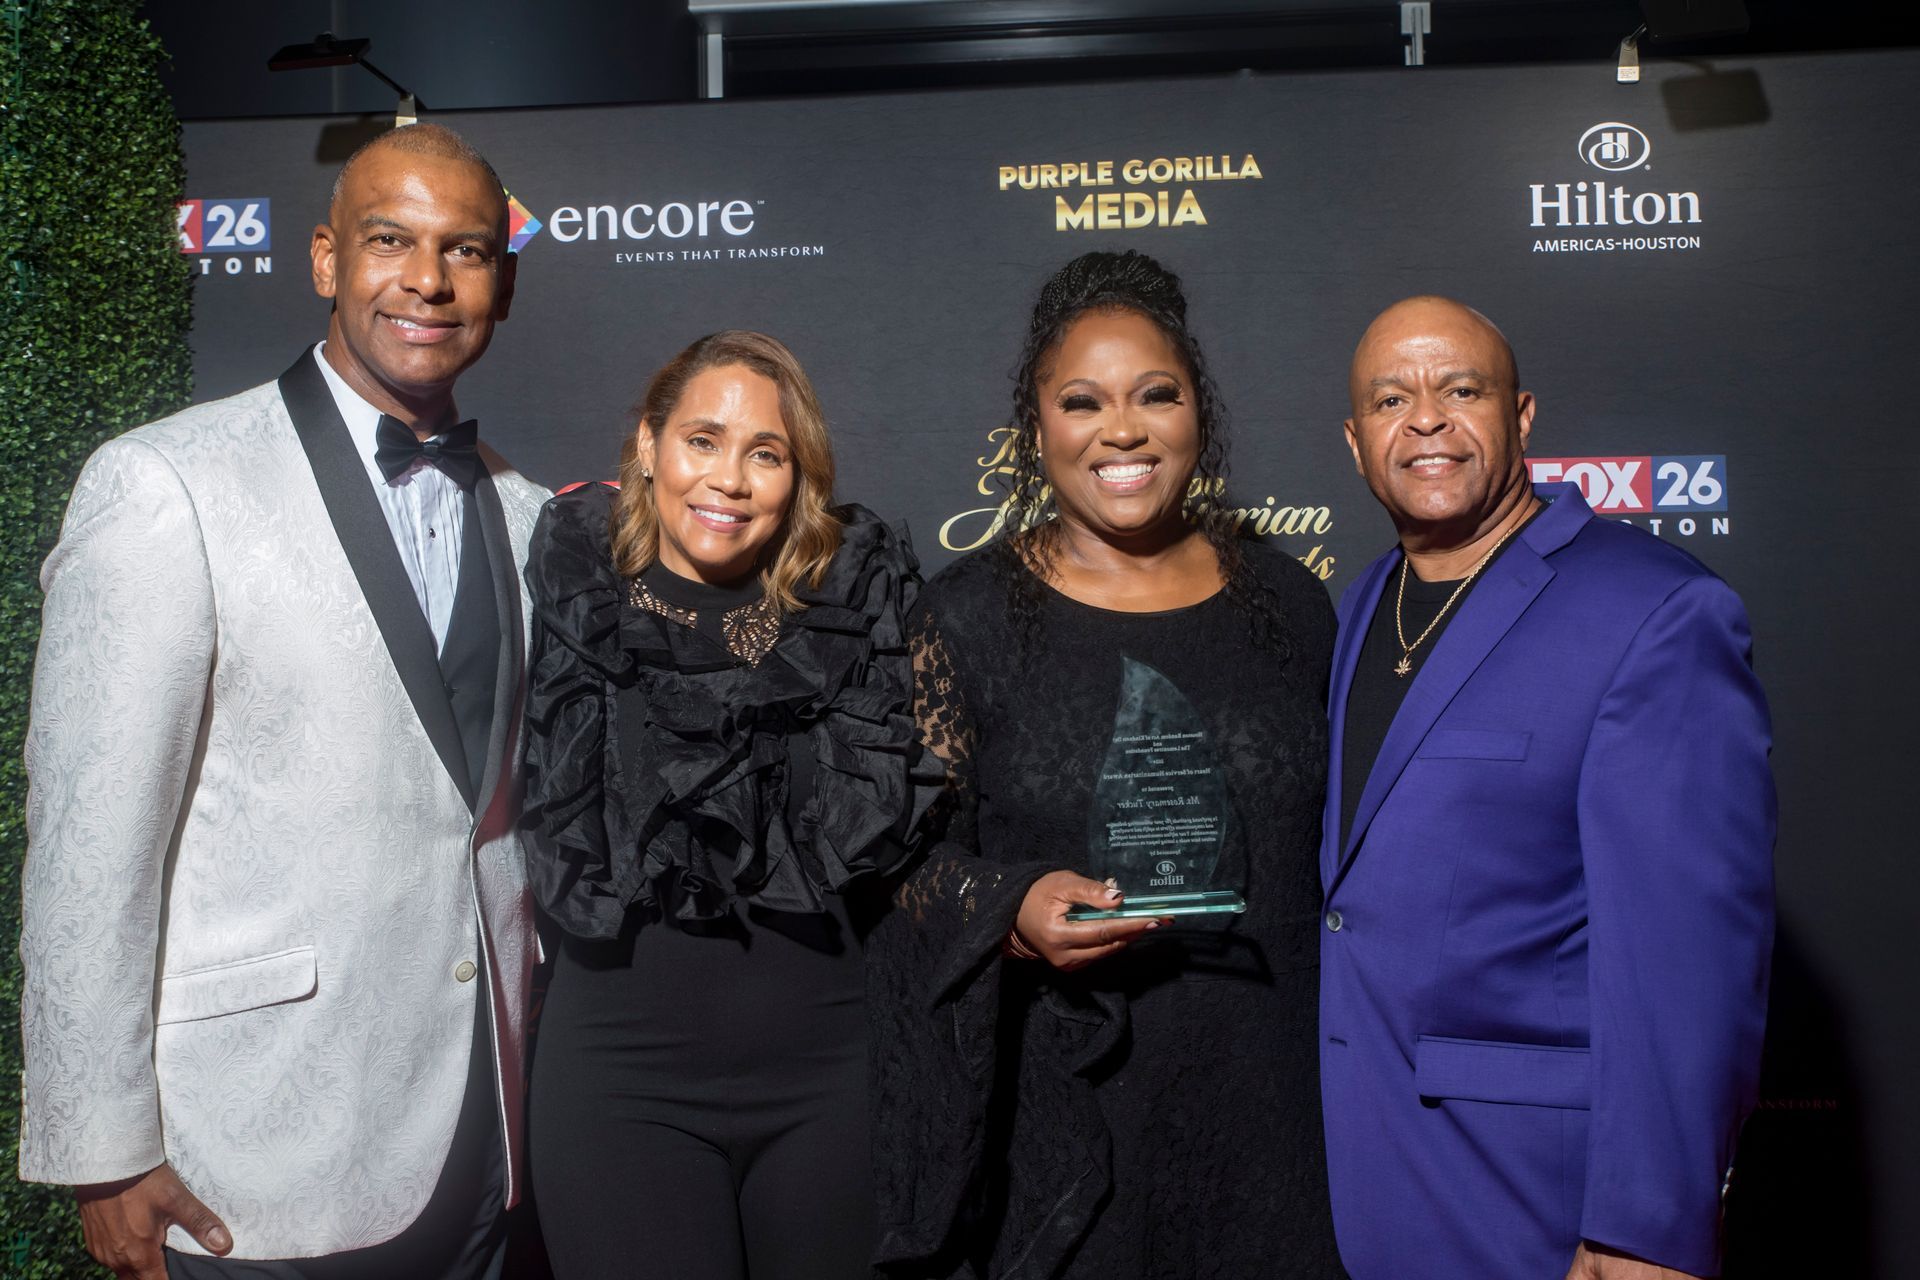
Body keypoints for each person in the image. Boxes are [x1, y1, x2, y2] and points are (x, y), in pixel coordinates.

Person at [16, 124, 548, 1280]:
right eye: (389, 240)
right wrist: (100, 1145)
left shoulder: (531, 516)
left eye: (464, 250)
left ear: (501, 279)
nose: (426, 279)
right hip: (248, 1148)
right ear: (323, 259)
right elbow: (90, 841)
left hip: (483, 1125)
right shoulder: (167, 483)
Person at [870, 250, 1345, 1278]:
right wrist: (1012, 902)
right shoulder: (966, 617)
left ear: (1198, 414)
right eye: (1082, 401)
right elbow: (901, 867)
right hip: (1067, 1115)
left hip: (1278, 1104)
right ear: (1037, 429)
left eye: (1155, 395)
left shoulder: (1290, 605)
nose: (1121, 430)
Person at [1319, 296, 1775, 1280]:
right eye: (1393, 397)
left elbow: (1686, 956)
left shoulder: (1653, 609)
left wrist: (1648, 1220)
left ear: (1521, 417)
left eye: (1461, 388)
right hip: (1364, 1175)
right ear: (1357, 444)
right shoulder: (1359, 603)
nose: (1427, 418)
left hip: (1540, 1198)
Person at [520, 330, 940, 1280]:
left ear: (799, 477)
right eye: (702, 440)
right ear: (647, 446)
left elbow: (929, 823)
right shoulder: (566, 586)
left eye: (766, 453)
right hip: (620, 1086)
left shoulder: (858, 609)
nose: (730, 479)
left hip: (830, 1083)